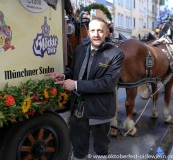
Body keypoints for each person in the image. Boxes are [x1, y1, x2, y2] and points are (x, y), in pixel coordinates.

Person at [45, 17, 124, 160]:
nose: (96, 34)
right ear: (88, 32)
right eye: (93, 30)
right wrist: (63, 76)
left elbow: (108, 84)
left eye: (100, 30)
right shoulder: (80, 49)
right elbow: (75, 73)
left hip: (100, 110)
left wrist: (75, 85)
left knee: (101, 149)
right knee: (78, 148)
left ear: (107, 32)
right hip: (78, 108)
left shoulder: (115, 54)